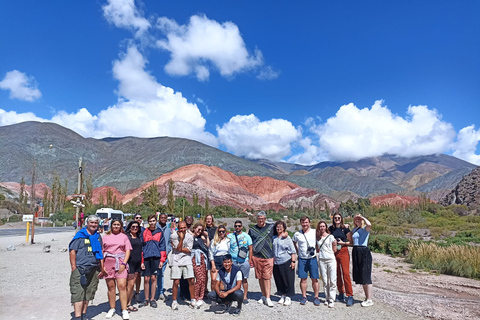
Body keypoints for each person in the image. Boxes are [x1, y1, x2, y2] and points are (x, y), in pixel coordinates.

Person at [69, 215, 104, 320]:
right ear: (87, 223)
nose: (93, 225)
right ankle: (77, 317)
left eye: (96, 223)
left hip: (93, 269)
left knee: (89, 292)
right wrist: (74, 267)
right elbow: (72, 251)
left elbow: (100, 252)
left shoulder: (97, 237)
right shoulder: (80, 236)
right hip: (80, 268)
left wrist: (101, 268)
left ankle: (84, 315)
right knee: (78, 293)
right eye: (91, 222)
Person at [101, 218, 132, 320]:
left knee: (122, 285)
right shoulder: (105, 237)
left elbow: (127, 250)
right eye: (114, 224)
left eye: (118, 224)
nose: (116, 226)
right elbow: (102, 251)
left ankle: (124, 309)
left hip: (120, 261)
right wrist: (102, 266)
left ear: (121, 226)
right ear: (111, 225)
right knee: (110, 286)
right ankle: (112, 308)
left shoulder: (124, 237)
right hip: (108, 262)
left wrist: (124, 263)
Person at [248, 211, 274, 307]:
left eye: (263, 218)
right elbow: (249, 244)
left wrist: (285, 234)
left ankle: (268, 297)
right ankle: (263, 295)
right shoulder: (252, 229)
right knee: (260, 277)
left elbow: (279, 233)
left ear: (265, 219)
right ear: (257, 219)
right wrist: (250, 258)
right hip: (257, 256)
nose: (261, 220)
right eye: (259, 218)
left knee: (267, 277)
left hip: (268, 256)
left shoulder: (271, 228)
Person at [293, 216, 320, 306]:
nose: (305, 224)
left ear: (309, 223)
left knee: (314, 279)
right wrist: (298, 252)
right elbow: (294, 243)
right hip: (302, 259)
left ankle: (316, 297)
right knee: (303, 279)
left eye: (306, 222)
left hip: (312, 258)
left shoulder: (314, 232)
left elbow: (319, 241)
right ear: (301, 223)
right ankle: (304, 297)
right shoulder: (297, 234)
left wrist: (317, 250)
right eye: (303, 222)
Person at [140, 214, 166, 308]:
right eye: (150, 221)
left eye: (153, 221)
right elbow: (141, 247)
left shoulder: (159, 232)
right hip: (146, 257)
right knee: (146, 278)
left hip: (156, 257)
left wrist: (162, 260)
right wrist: (142, 261)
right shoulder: (144, 232)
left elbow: (162, 247)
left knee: (154, 278)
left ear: (156, 221)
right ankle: (146, 299)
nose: (152, 223)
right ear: (148, 222)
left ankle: (152, 299)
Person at [347, 214, 373, 307]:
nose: (357, 220)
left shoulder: (365, 228)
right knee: (361, 275)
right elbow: (350, 239)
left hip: (364, 251)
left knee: (366, 274)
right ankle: (367, 298)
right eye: (356, 219)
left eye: (359, 219)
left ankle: (370, 299)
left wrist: (363, 217)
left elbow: (370, 224)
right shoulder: (354, 230)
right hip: (356, 251)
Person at [328, 212, 354, 306]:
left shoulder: (345, 229)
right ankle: (341, 293)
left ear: (341, 219)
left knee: (346, 273)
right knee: (337, 273)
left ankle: (350, 295)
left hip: (343, 251)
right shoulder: (331, 229)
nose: (337, 219)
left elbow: (351, 242)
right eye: (335, 218)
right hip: (334, 252)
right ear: (333, 219)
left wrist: (343, 243)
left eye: (339, 218)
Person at [170, 220, 195, 310]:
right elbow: (179, 248)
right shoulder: (173, 236)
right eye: (181, 228)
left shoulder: (190, 237)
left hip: (186, 259)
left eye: (184, 228)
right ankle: (174, 301)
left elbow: (189, 250)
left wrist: (181, 248)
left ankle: (192, 300)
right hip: (176, 259)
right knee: (176, 281)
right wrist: (181, 239)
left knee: (191, 280)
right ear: (178, 228)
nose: (183, 229)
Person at [228, 220, 253, 302]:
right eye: (236, 226)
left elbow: (250, 248)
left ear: (242, 227)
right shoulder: (230, 236)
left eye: (239, 226)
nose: (237, 227)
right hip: (233, 261)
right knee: (233, 279)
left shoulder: (246, 236)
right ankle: (234, 295)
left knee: (244, 279)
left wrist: (249, 260)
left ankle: (245, 296)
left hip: (243, 260)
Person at [272, 220, 296, 306]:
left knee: (288, 279)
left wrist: (293, 261)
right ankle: (283, 295)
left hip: (286, 260)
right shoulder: (274, 237)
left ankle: (288, 297)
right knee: (279, 279)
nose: (279, 228)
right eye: (277, 227)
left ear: (284, 228)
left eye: (280, 227)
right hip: (276, 262)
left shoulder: (287, 238)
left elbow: (293, 250)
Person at [316, 220, 337, 308]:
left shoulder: (331, 237)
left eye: (323, 226)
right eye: (320, 226)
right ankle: (327, 297)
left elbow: (335, 249)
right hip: (321, 260)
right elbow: (317, 249)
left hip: (331, 259)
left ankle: (332, 299)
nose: (322, 228)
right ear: (318, 228)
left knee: (332, 279)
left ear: (326, 227)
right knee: (325, 280)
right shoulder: (317, 237)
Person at [191, 222, 210, 308]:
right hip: (195, 259)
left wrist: (207, 236)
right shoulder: (191, 237)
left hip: (203, 259)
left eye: (201, 230)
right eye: (198, 229)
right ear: (194, 228)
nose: (199, 231)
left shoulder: (201, 238)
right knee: (199, 278)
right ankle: (195, 296)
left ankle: (200, 297)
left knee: (203, 279)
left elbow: (208, 246)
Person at [125, 221, 142, 312]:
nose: (135, 228)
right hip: (130, 263)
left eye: (136, 227)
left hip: (137, 263)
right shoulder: (127, 237)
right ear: (129, 227)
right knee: (129, 285)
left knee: (132, 285)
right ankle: (126, 304)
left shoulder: (139, 236)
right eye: (133, 226)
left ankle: (129, 302)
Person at [155, 213, 172, 301]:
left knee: (161, 274)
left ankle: (160, 292)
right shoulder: (154, 227)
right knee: (153, 275)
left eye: (165, 218)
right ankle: (152, 292)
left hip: (163, 256)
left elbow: (169, 242)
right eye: (162, 217)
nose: (163, 219)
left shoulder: (168, 230)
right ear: (159, 218)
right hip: (154, 255)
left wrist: (167, 251)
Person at [209, 225, 231, 291]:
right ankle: (213, 296)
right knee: (214, 280)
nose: (221, 233)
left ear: (225, 232)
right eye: (220, 231)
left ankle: (222, 296)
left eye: (223, 231)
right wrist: (213, 264)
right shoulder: (214, 241)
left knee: (222, 280)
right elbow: (210, 253)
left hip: (225, 260)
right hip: (216, 260)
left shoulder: (228, 241)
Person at [179, 215, 194, 300]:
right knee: (183, 276)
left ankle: (190, 293)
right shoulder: (182, 230)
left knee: (191, 276)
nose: (189, 220)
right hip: (183, 255)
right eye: (187, 219)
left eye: (190, 219)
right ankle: (183, 293)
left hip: (193, 255)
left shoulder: (194, 230)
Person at [132, 214, 144, 303]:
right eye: (137, 218)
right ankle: (130, 291)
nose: (139, 219)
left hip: (140, 254)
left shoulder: (143, 230)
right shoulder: (129, 229)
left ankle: (137, 292)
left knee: (138, 275)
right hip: (131, 255)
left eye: (140, 218)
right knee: (131, 275)